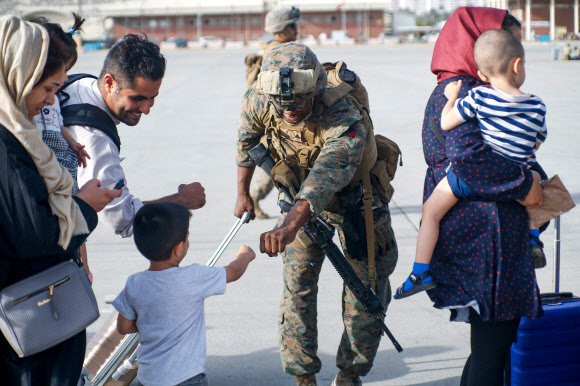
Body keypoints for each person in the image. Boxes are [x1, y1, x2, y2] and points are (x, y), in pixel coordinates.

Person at [234, 43, 398, 386]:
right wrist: (243, 193)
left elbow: (326, 175)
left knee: (365, 290)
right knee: (298, 288)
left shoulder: (343, 113)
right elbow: (246, 139)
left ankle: (350, 373)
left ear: (317, 89)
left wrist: (290, 225)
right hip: (296, 202)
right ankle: (303, 375)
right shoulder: (260, 97)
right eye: (282, 106)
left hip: (356, 204)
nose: (289, 111)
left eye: (298, 104)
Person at [420, 7, 544, 385]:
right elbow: (471, 158)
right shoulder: (467, 92)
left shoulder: (463, 89)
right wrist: (527, 186)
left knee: (490, 347)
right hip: (485, 237)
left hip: (486, 231)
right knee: (493, 346)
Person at [0, 15, 120, 384]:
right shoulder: (8, 144)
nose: (52, 102)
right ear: (18, 77)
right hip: (27, 321)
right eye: (48, 89)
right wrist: (84, 205)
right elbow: (35, 236)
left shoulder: (18, 130)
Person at [395, 28, 548, 299]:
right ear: (517, 65)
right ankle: (533, 238)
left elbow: (445, 124)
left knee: (431, 210)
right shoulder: (537, 105)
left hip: (474, 178)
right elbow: (537, 141)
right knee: (531, 183)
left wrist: (451, 98)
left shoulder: (479, 97)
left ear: (481, 75)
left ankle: (420, 272)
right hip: (522, 172)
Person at [62, 34, 206, 238]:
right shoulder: (94, 140)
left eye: (152, 98)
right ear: (109, 82)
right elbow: (123, 220)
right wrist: (181, 199)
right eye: (137, 98)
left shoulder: (80, 83)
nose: (146, 109)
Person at [112, 202, 255, 386]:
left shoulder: (134, 283)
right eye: (187, 236)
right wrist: (245, 255)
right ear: (179, 248)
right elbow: (233, 272)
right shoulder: (193, 277)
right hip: (188, 378)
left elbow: (123, 327)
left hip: (148, 378)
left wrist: (154, 324)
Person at [33, 13, 96, 283]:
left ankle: (81, 263)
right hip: (45, 151)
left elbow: (57, 124)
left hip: (62, 152)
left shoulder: (52, 97)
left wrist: (74, 144)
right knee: (67, 208)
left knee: (72, 203)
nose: (62, 81)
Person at [244, 6, 301, 219]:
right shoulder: (280, 53)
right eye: (293, 25)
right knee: (277, 165)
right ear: (283, 29)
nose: (296, 30)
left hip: (273, 117)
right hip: (277, 119)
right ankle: (254, 198)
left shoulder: (271, 48)